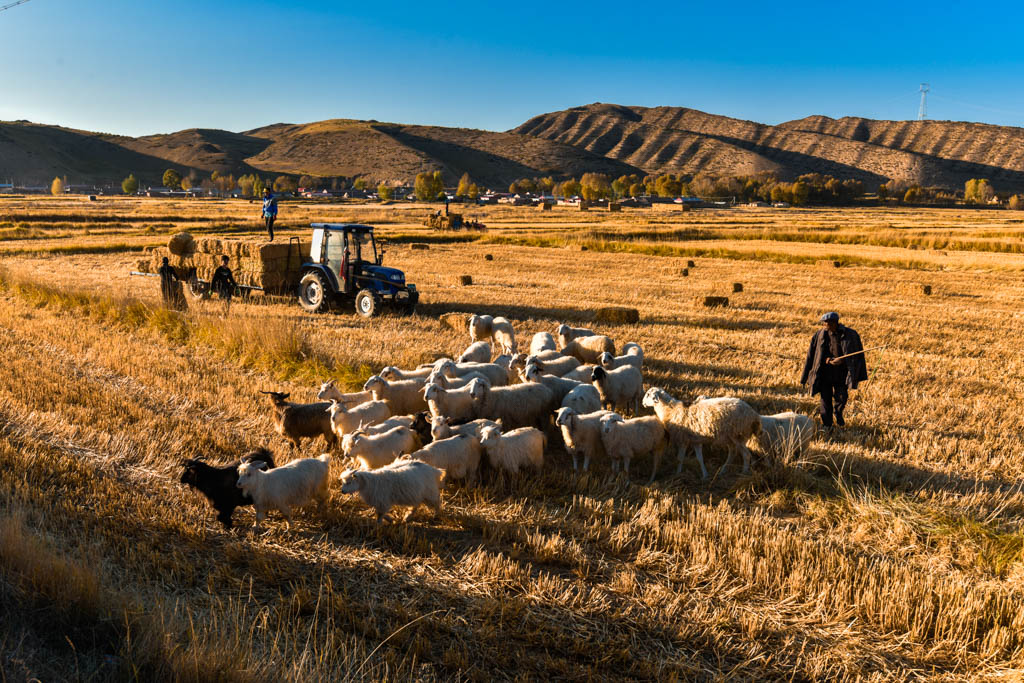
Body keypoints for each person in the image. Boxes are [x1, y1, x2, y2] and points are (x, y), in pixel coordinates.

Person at [799, 312, 867, 430]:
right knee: (825, 401)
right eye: (824, 323)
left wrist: (843, 361)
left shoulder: (850, 334)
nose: (825, 325)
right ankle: (827, 425)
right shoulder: (819, 335)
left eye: (827, 323)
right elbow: (812, 356)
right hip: (824, 374)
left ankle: (838, 413)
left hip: (841, 374)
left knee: (842, 398)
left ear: (835, 323)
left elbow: (857, 356)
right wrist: (806, 376)